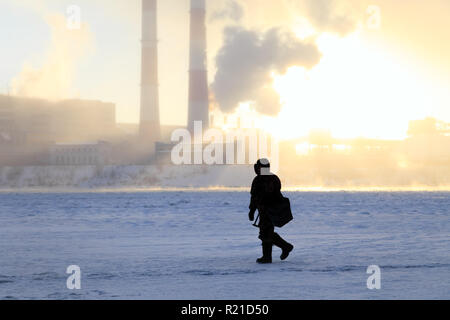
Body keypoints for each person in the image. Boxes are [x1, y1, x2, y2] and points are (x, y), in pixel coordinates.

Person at [249, 158, 294, 263]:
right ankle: (284, 247)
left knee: (265, 233)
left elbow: (255, 198)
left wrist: (252, 211)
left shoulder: (259, 180)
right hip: (270, 210)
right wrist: (252, 210)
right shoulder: (273, 178)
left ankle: (269, 256)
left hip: (268, 211)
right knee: (266, 232)